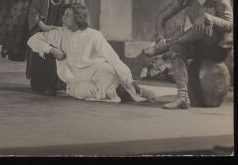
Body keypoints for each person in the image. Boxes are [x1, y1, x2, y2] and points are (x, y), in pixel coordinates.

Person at [143, 0, 233, 109]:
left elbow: (230, 25)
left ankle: (165, 46)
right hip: (199, 42)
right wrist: (159, 38)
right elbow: (161, 18)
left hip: (218, 46)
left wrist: (210, 18)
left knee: (204, 23)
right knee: (176, 50)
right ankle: (183, 97)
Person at [28, 5, 156, 103]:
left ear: (78, 18)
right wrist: (52, 50)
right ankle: (125, 92)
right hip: (76, 76)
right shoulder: (59, 33)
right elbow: (32, 40)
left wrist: (129, 79)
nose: (62, 18)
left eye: (67, 15)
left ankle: (134, 89)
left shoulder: (94, 35)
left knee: (110, 80)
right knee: (80, 91)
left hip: (98, 69)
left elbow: (112, 57)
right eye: (64, 15)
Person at [25, 0, 85, 95]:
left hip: (64, 29)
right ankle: (41, 82)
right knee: (44, 51)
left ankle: (59, 84)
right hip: (45, 27)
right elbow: (34, 9)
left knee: (61, 52)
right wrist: (41, 25)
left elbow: (80, 11)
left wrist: (68, 27)